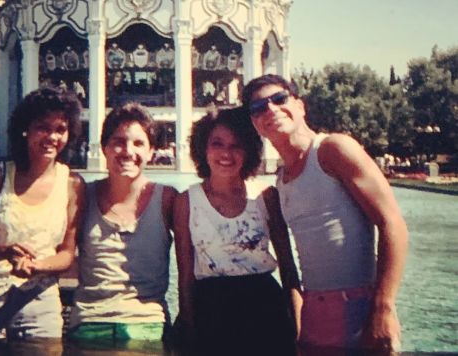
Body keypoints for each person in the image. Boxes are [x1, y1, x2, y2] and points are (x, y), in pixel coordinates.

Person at [242, 74, 409, 352]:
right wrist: (299, 321)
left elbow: (392, 223)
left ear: (300, 106)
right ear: (255, 123)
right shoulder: (281, 179)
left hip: (359, 310)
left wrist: (383, 307)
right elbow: (290, 263)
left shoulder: (333, 149)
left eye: (279, 99)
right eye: (258, 108)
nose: (270, 109)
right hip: (314, 315)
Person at [0, 87, 85, 342]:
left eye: (60, 129)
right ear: (25, 129)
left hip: (40, 305)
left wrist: (36, 266)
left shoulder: (72, 184)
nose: (52, 136)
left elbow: (66, 254)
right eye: (43, 127)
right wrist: (5, 251)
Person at [174, 106, 300, 355]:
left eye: (236, 145)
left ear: (249, 150)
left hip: (264, 306)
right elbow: (185, 272)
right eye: (217, 144)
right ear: (203, 148)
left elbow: (287, 264)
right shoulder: (187, 201)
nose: (226, 154)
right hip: (210, 307)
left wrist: (297, 320)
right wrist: (188, 322)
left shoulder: (265, 195)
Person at [68, 103, 176, 351]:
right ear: (104, 148)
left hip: (148, 324)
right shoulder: (82, 194)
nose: (127, 151)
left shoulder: (168, 199)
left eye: (139, 143)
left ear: (151, 151)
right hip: (90, 322)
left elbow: (191, 259)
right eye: (118, 142)